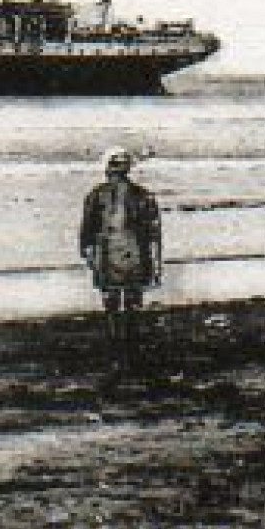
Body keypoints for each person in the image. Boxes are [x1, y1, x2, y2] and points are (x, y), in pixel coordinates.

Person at [79, 148, 162, 369]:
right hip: (135, 255)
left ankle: (118, 351)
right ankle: (129, 350)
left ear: (107, 168)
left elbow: (86, 233)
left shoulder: (96, 195)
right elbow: (154, 235)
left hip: (109, 255)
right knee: (132, 304)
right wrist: (156, 265)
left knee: (113, 304)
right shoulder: (144, 195)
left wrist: (89, 257)